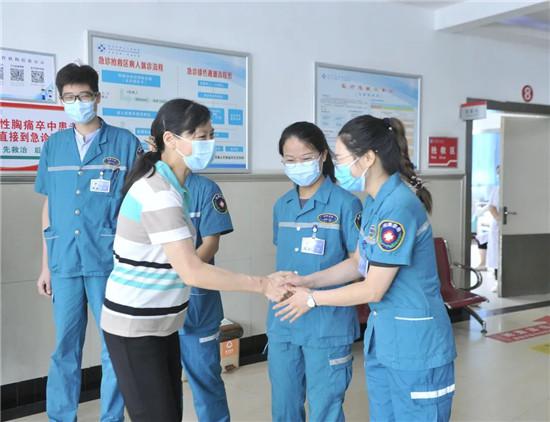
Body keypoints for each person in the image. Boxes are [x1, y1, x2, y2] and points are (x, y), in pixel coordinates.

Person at [100, 98, 286, 422]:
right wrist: (262, 285)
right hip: (136, 327)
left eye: (211, 135)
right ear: (170, 139)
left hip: (159, 325)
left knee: (170, 412)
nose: (209, 144)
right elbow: (191, 271)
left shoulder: (175, 188)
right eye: (201, 136)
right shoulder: (159, 193)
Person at [273, 115, 457, 422]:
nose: (337, 166)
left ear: (368, 158)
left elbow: (373, 288)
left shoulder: (398, 207)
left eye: (341, 159)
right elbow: (358, 263)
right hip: (385, 339)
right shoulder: (374, 203)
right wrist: (308, 281)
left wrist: (312, 299)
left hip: (416, 345)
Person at [35, 63, 142, 422]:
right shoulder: (53, 146)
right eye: (69, 97)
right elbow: (49, 205)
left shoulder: (125, 143)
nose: (76, 103)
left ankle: (111, 418)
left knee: (115, 348)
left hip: (108, 262)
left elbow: (138, 204)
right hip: (64, 262)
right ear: (60, 99)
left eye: (83, 96)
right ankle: (61, 416)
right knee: (64, 347)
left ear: (97, 97)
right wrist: (45, 266)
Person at [268, 122, 363, 422]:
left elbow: (359, 264)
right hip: (283, 320)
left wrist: (311, 286)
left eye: (306, 158)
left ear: (323, 156)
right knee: (284, 406)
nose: (298, 165)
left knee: (325, 408)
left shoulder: (347, 204)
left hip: (327, 324)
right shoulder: (282, 206)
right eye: (290, 160)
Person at [179, 172, 233, 421]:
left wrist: (182, 273)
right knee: (159, 388)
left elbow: (211, 243)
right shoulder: (145, 185)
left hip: (197, 304)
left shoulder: (204, 189)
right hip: (155, 304)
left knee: (206, 382)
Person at [487, 166, 501, 291]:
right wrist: (499, 220)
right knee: (497, 255)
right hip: (498, 225)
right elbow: (491, 207)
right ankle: (497, 281)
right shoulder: (496, 189)